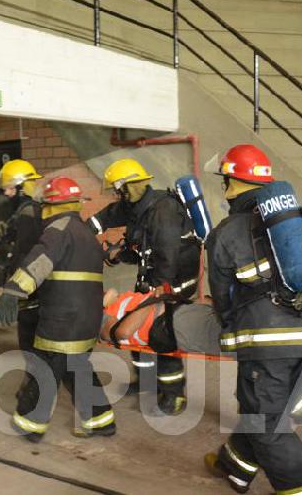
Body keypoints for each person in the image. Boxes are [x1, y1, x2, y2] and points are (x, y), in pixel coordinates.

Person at [201, 144, 302, 494]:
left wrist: (234, 331)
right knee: (267, 406)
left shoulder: (224, 233)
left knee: (266, 422)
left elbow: (224, 302)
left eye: (225, 182)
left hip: (267, 344)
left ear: (233, 183)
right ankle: (234, 465)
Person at [98, 285, 302, 450]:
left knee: (271, 341)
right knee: (265, 332)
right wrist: (151, 304)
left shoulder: (123, 297)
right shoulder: (107, 315)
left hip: (186, 315)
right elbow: (120, 334)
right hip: (180, 328)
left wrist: (166, 298)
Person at [0, 176, 116, 442]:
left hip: (63, 319)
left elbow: (39, 261)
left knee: (45, 367)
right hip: (87, 317)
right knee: (76, 366)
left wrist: (13, 291)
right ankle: (101, 420)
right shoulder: (86, 232)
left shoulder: (58, 229)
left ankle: (30, 424)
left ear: (52, 206)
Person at [87, 157, 201, 416]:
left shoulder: (164, 210)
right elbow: (110, 219)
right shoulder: (136, 207)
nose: (117, 195)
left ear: (128, 187)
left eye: (119, 189)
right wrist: (83, 230)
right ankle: (146, 382)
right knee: (140, 336)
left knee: (162, 337)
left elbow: (167, 256)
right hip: (151, 280)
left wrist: (157, 296)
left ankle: (174, 395)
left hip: (173, 284)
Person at [0, 159, 45, 353]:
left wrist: (15, 290)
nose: (6, 193)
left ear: (22, 188)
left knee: (30, 339)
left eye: (10, 188)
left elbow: (27, 255)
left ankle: (36, 380)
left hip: (30, 290)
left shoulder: (28, 213)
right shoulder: (23, 210)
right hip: (27, 287)